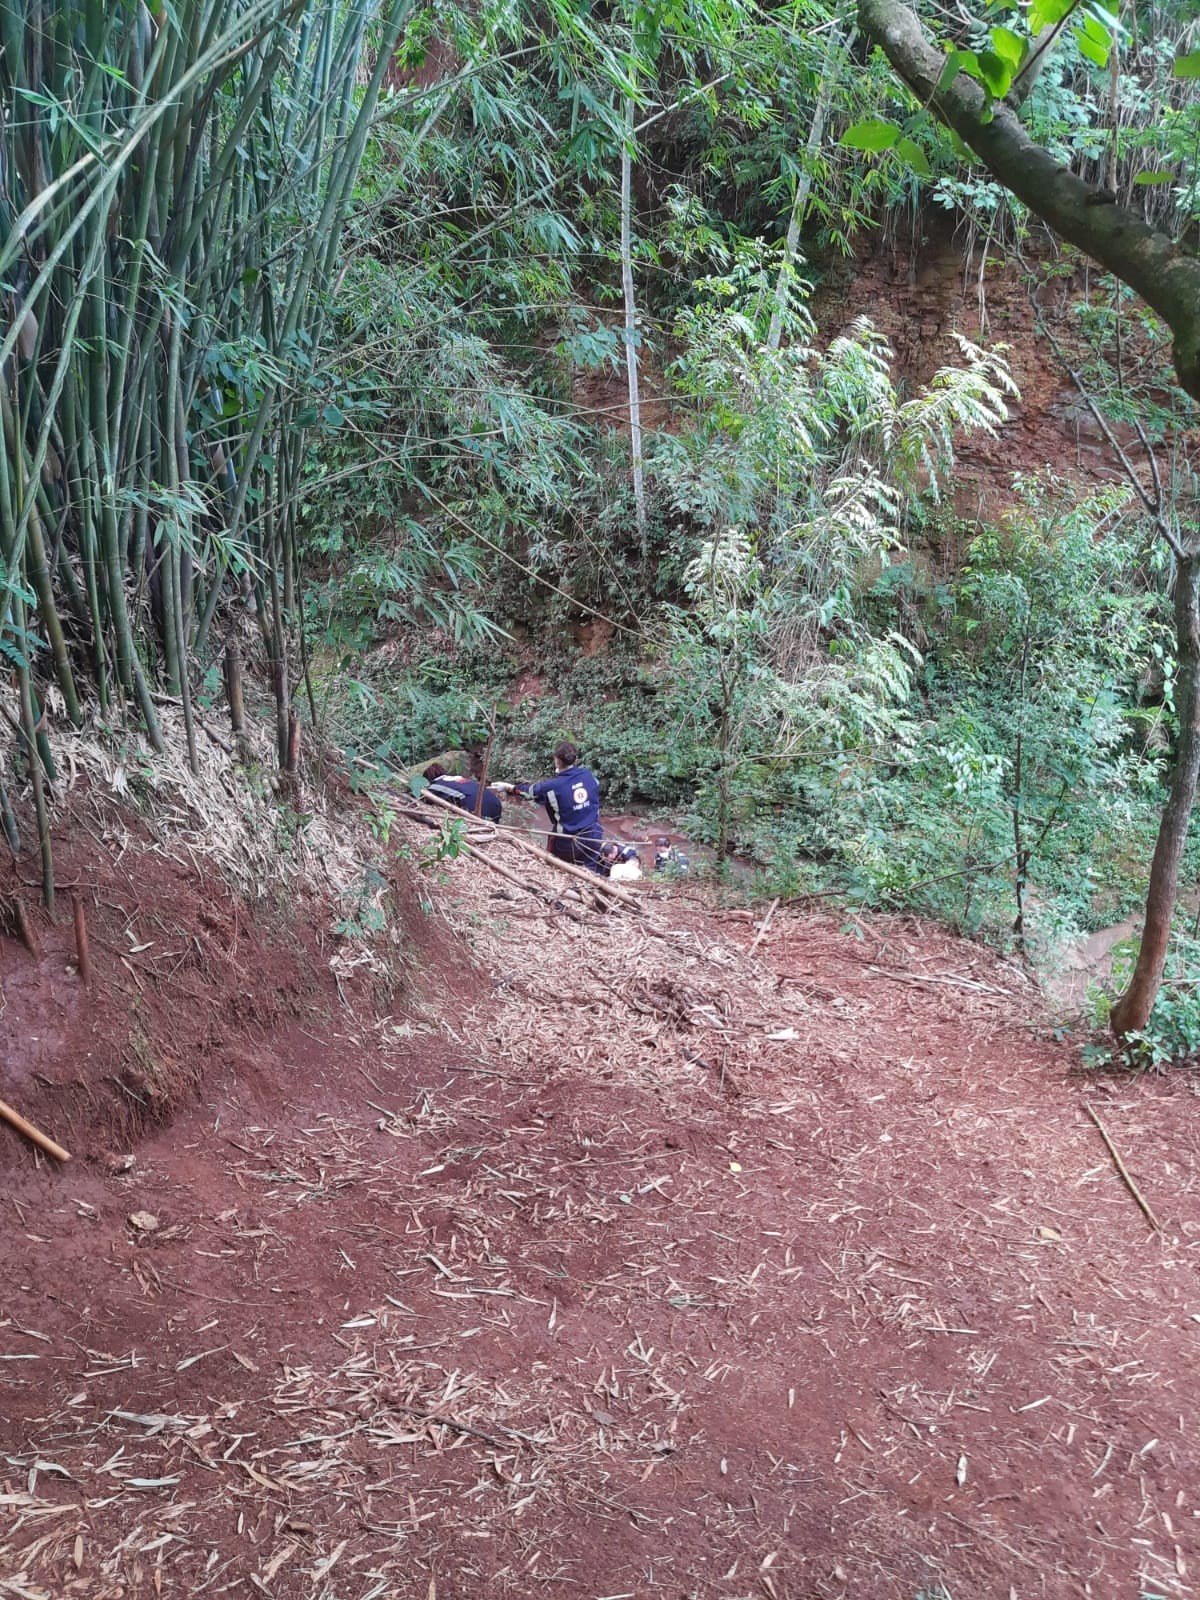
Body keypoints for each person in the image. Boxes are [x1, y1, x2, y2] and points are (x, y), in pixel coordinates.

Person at [512, 740, 604, 873]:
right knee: (590, 872)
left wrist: (511, 788)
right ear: (575, 759)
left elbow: (530, 792)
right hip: (594, 835)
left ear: (556, 760)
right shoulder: (588, 775)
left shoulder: (553, 786)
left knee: (555, 867)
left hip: (567, 842)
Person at [421, 762, 503, 823]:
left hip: (475, 806)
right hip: (496, 803)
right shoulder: (458, 778)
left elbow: (426, 800)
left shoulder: (435, 786)